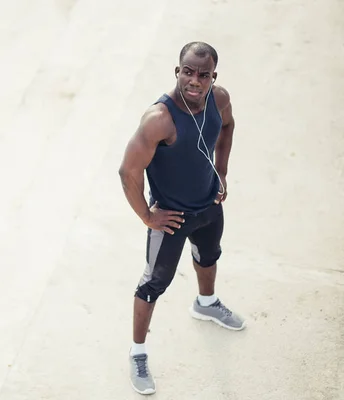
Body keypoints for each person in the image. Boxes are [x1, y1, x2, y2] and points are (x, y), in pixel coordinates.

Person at [118, 41, 246, 395]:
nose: (194, 81)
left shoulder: (219, 99)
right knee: (152, 284)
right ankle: (138, 352)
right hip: (171, 217)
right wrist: (148, 216)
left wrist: (221, 171)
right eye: (187, 72)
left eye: (202, 75)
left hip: (208, 205)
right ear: (178, 71)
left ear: (212, 77)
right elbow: (128, 172)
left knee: (209, 256)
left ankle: (205, 304)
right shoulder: (159, 119)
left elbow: (228, 127)